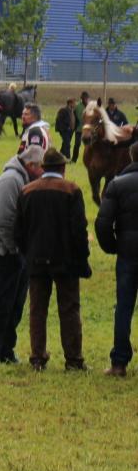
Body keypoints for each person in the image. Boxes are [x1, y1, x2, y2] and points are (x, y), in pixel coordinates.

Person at [16, 148, 91, 371]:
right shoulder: (72, 190)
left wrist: (28, 253)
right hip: (65, 261)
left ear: (43, 168)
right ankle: (73, 359)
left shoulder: (27, 191)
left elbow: (18, 231)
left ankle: (37, 357)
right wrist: (82, 259)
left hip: (36, 259)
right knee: (69, 309)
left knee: (37, 310)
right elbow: (79, 230)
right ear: (63, 167)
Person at [0, 146, 44, 365]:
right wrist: (14, 250)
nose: (43, 173)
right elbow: (4, 221)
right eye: (42, 168)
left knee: (16, 303)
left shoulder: (25, 180)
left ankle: (6, 349)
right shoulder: (10, 181)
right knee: (2, 302)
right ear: (31, 165)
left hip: (17, 251)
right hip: (1, 251)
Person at [96, 145, 138, 376]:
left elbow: (103, 223)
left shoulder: (117, 184)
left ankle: (119, 362)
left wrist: (113, 246)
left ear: (131, 157)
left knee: (123, 307)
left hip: (127, 254)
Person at [74, 90, 91, 163]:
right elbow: (74, 116)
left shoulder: (90, 107)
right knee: (77, 145)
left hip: (87, 130)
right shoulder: (77, 106)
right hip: (79, 129)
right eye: (84, 98)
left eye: (87, 98)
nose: (86, 100)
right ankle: (74, 159)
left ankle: (89, 159)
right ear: (82, 98)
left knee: (88, 146)